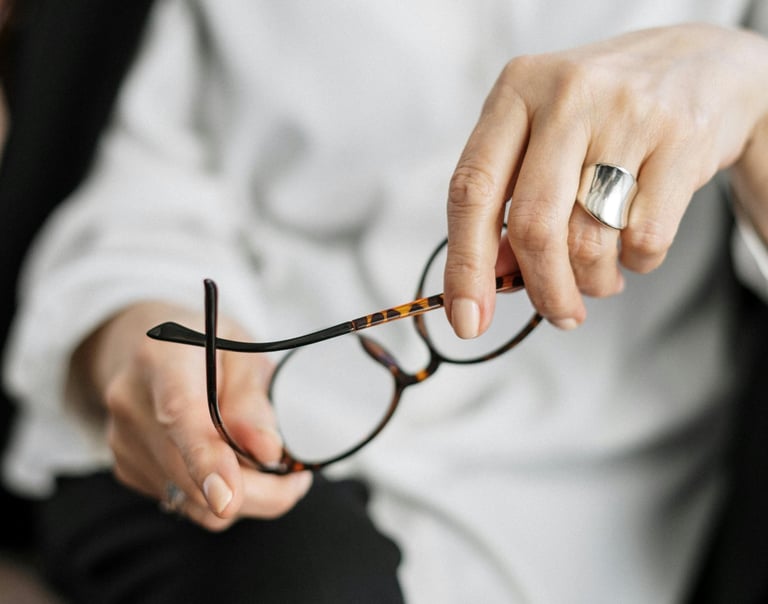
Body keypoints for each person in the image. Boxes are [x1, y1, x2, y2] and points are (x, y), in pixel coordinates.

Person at [2, 1, 768, 602]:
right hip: (240, 476)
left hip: (605, 509)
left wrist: (753, 94)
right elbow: (145, 186)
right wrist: (132, 334)